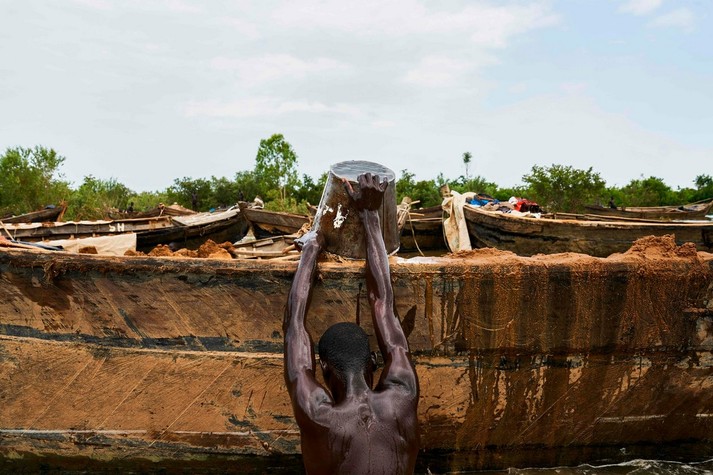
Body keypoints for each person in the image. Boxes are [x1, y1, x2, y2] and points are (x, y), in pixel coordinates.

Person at [283, 172, 420, 474]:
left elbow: (294, 327)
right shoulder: (404, 395)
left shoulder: (318, 414)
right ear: (373, 361)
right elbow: (383, 304)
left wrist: (311, 248)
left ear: (324, 368)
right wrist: (370, 213)